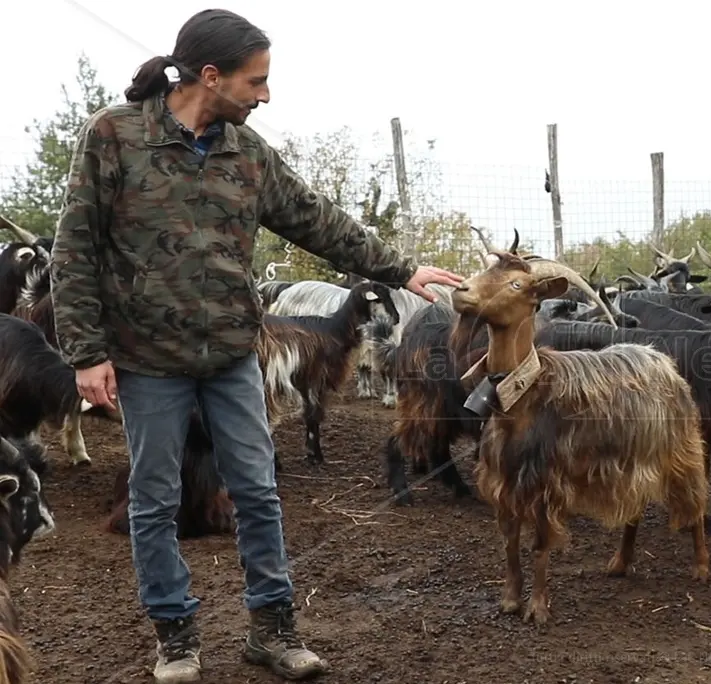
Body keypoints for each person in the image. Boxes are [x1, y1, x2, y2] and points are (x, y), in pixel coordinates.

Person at [49, 9, 464, 683]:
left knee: (259, 491)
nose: (265, 95)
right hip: (148, 360)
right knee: (154, 500)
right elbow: (74, 251)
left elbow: (312, 216)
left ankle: (273, 630)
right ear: (210, 77)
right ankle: (175, 637)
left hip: (234, 357)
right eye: (257, 81)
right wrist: (86, 351)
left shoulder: (248, 151)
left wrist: (399, 270)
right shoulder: (114, 136)